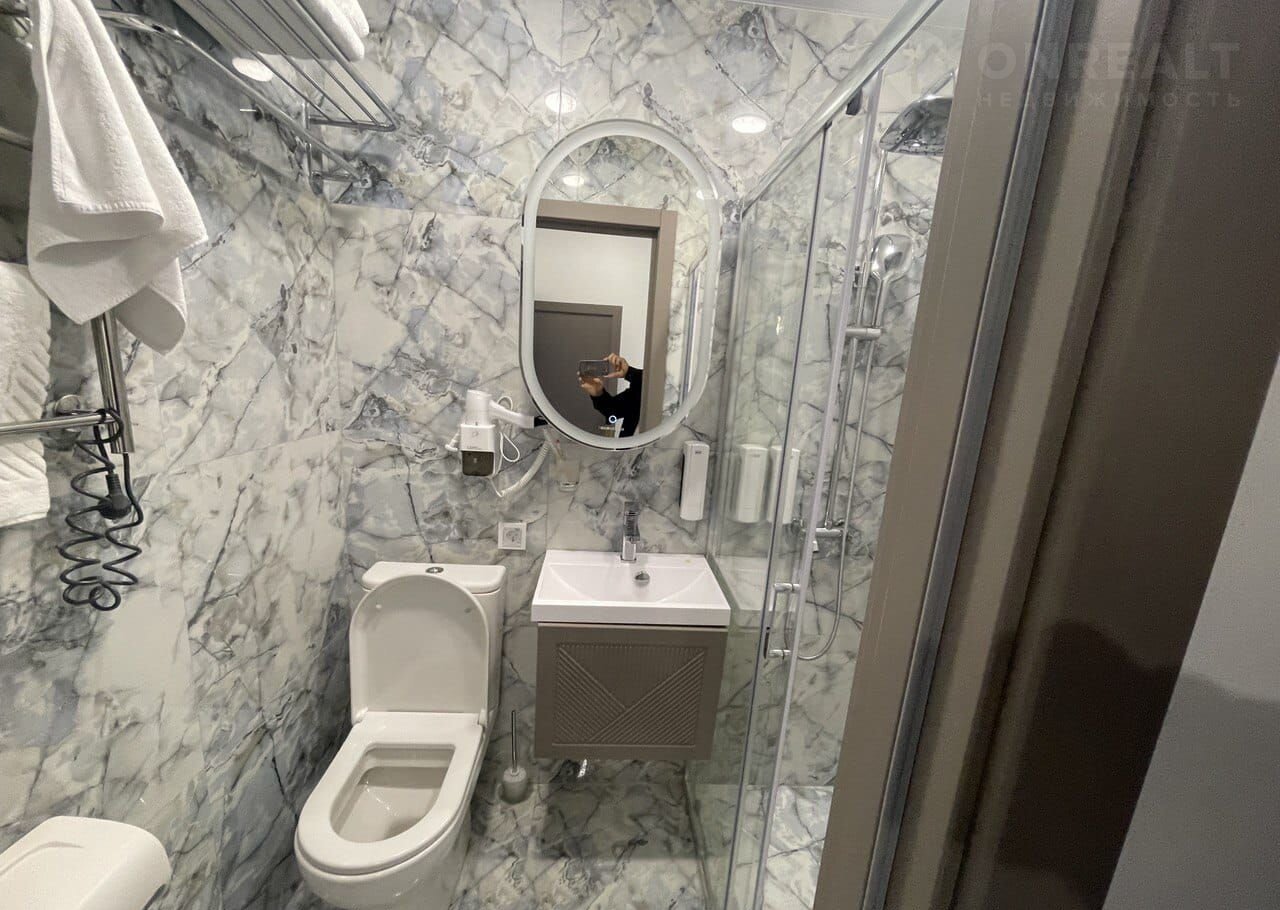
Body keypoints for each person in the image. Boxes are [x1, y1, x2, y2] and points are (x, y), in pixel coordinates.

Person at [579, 353, 643, 437]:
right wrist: (598, 393)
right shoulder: (643, 384)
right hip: (626, 444)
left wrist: (629, 372)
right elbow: (612, 410)